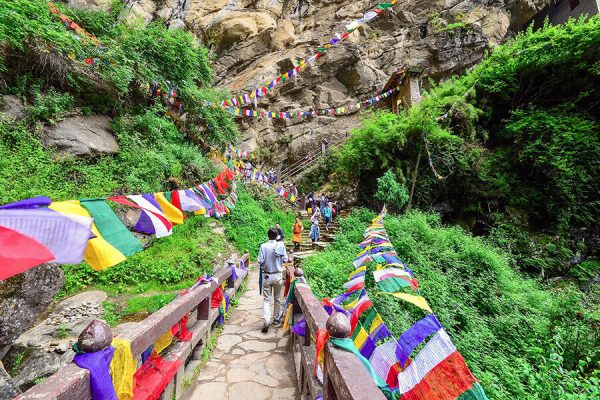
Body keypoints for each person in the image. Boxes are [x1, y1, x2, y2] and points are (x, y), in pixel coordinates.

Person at [257, 228, 288, 332]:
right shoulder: (280, 245)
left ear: (268, 235)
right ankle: (275, 319)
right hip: (278, 276)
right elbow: (285, 259)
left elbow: (260, 261)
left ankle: (266, 320)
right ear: (277, 236)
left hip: (266, 276)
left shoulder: (263, 246)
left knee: (266, 299)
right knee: (277, 298)